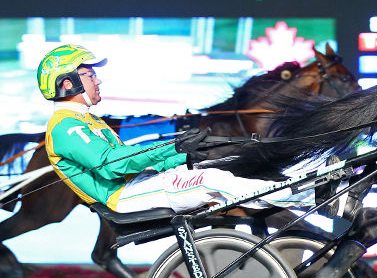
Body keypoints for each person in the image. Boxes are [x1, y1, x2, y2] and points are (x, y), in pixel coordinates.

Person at [38, 44, 347, 217]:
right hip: (123, 197)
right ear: (67, 84)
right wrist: (175, 147)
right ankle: (313, 197)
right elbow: (113, 164)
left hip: (138, 185)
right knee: (212, 179)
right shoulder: (65, 127)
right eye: (89, 74)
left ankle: (314, 183)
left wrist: (185, 153)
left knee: (226, 163)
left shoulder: (85, 120)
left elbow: (130, 160)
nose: (97, 80)